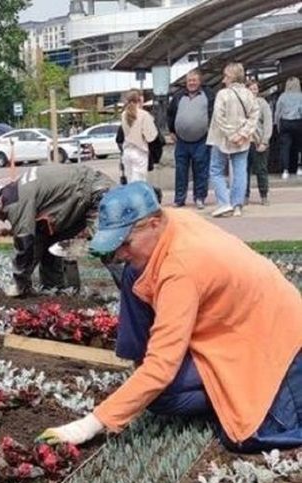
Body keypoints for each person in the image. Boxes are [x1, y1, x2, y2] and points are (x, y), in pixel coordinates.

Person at [38, 181, 302, 452]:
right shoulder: (170, 221)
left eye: (126, 242)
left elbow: (162, 368)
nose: (120, 253)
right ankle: (152, 374)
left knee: (164, 395)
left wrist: (90, 424)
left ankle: (230, 392)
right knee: (133, 273)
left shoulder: (181, 270)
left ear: (153, 224)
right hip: (243, 317)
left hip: (268, 334)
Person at [0, 164, 112, 297]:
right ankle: (54, 292)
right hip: (83, 196)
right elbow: (36, 243)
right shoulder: (19, 190)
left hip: (97, 193)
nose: (3, 220)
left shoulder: (14, 202)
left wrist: (18, 282)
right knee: (46, 241)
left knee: (111, 250)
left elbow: (25, 244)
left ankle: (131, 295)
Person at [206, 62, 258, 218]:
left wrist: (231, 134)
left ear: (232, 77)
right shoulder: (249, 94)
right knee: (240, 171)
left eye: (226, 76)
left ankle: (224, 203)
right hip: (243, 140)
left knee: (216, 170)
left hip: (221, 138)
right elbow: (254, 116)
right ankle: (237, 205)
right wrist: (242, 134)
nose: (223, 79)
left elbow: (218, 117)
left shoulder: (223, 94)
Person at [167, 69, 214, 209]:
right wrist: (171, 131)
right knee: (181, 171)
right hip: (181, 141)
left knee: (201, 170)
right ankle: (179, 199)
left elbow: (213, 114)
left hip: (201, 140)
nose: (191, 83)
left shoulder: (208, 95)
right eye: (189, 80)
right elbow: (170, 113)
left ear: (200, 81)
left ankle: (199, 197)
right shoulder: (178, 96)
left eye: (194, 80)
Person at [120, 89, 158, 183]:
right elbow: (151, 136)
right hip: (139, 151)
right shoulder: (144, 115)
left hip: (127, 151)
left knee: (130, 182)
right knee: (139, 183)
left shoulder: (124, 114)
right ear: (140, 100)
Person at [245, 79, 273, 206]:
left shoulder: (262, 103)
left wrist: (265, 141)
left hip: (258, 142)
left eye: (255, 89)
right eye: (250, 89)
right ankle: (244, 195)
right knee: (243, 170)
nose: (253, 91)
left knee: (261, 169)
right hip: (244, 142)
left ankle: (264, 194)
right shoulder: (242, 104)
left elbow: (268, 123)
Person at [274, 77, 302, 180]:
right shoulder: (300, 96)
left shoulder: (282, 97)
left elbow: (277, 112)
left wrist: (277, 125)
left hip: (285, 122)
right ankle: (299, 168)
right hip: (298, 122)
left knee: (285, 147)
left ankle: (285, 170)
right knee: (299, 146)